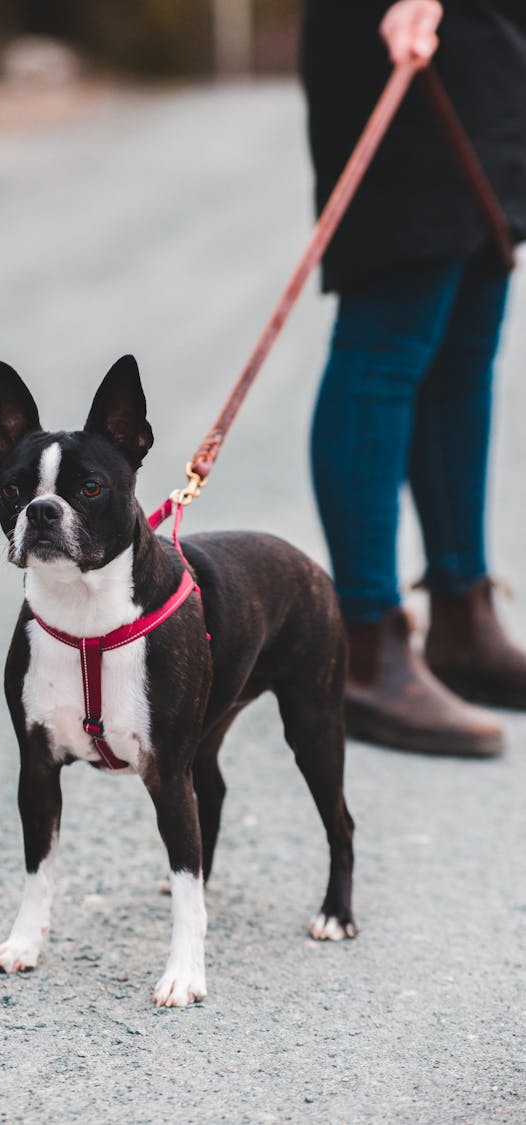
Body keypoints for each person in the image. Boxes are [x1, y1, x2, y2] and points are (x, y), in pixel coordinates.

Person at [300, 0, 526, 755]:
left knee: (466, 349)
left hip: (491, 44)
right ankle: (365, 648)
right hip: (399, 31)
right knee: (387, 344)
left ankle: (463, 618)